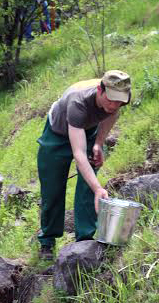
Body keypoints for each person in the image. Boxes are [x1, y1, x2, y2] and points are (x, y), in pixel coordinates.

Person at [36, 70, 131, 259]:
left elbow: (111, 114)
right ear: (99, 90)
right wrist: (98, 188)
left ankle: (85, 240)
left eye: (119, 101)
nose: (114, 105)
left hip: (88, 131)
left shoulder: (120, 96)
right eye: (111, 100)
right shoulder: (77, 102)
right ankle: (47, 241)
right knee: (52, 187)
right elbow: (78, 154)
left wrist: (98, 143)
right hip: (57, 133)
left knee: (87, 187)